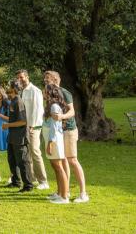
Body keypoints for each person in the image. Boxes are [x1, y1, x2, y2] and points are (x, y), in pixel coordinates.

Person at [44, 70, 89, 203]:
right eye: (45, 79)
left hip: (68, 130)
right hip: (59, 131)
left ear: (56, 80)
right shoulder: (50, 95)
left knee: (72, 160)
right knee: (62, 160)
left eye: (48, 79)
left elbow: (72, 111)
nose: (45, 81)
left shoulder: (65, 92)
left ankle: (83, 194)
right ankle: (64, 192)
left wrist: (61, 117)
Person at [16, 69, 49, 189]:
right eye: (18, 78)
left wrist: (33, 126)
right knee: (27, 154)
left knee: (35, 152)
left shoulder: (35, 91)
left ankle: (43, 181)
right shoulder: (21, 92)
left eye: (22, 77)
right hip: (23, 127)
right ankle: (32, 178)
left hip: (33, 127)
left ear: (27, 77)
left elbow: (38, 110)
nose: (20, 80)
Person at [2, 80, 33, 192]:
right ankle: (16, 182)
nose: (7, 91)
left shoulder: (18, 102)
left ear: (14, 90)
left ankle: (28, 185)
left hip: (20, 137)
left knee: (22, 162)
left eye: (9, 89)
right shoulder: (13, 101)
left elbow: (23, 122)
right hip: (12, 136)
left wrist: (7, 125)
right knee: (12, 160)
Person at [43, 84, 69, 204]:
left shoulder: (54, 106)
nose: (43, 93)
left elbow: (54, 126)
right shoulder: (50, 106)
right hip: (51, 138)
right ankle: (59, 193)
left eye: (45, 91)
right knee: (55, 167)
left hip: (54, 140)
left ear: (50, 93)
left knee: (59, 167)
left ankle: (64, 197)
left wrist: (50, 142)